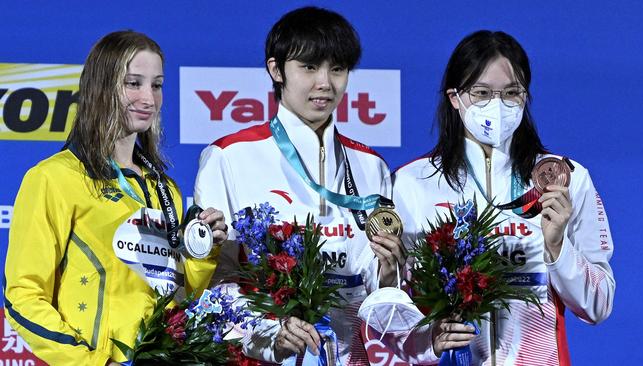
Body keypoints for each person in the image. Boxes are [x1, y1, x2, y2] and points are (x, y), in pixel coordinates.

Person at [194, 6, 405, 364]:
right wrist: (269, 338)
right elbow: (217, 283)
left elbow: (378, 289)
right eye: (309, 67)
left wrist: (390, 275)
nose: (325, 83)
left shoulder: (372, 166)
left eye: (337, 69)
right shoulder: (229, 157)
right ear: (276, 69)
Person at [3, 31, 228, 365]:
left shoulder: (164, 189)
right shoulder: (54, 178)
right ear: (101, 87)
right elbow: (22, 294)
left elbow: (179, 296)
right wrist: (93, 362)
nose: (148, 99)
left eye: (157, 85)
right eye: (133, 83)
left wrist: (203, 250)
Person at [392, 30, 615, 365]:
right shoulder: (412, 182)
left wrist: (557, 248)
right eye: (481, 93)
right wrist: (429, 341)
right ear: (455, 97)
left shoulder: (565, 179)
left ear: (525, 96)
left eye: (511, 94)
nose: (497, 106)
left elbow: (599, 305)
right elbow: (394, 308)